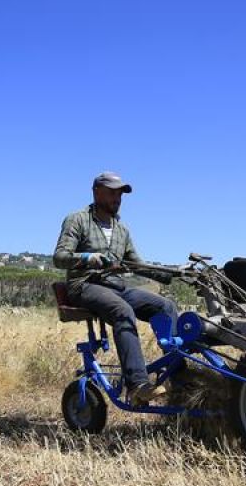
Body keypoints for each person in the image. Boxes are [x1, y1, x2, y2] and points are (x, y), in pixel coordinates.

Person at [53, 172, 178, 405]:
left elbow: (137, 264)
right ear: (96, 192)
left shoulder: (122, 230)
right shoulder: (77, 220)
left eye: (120, 193)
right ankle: (138, 385)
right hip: (85, 285)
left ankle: (178, 379)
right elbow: (60, 257)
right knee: (123, 311)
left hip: (116, 287)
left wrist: (171, 274)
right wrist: (89, 258)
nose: (117, 198)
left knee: (166, 307)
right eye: (112, 192)